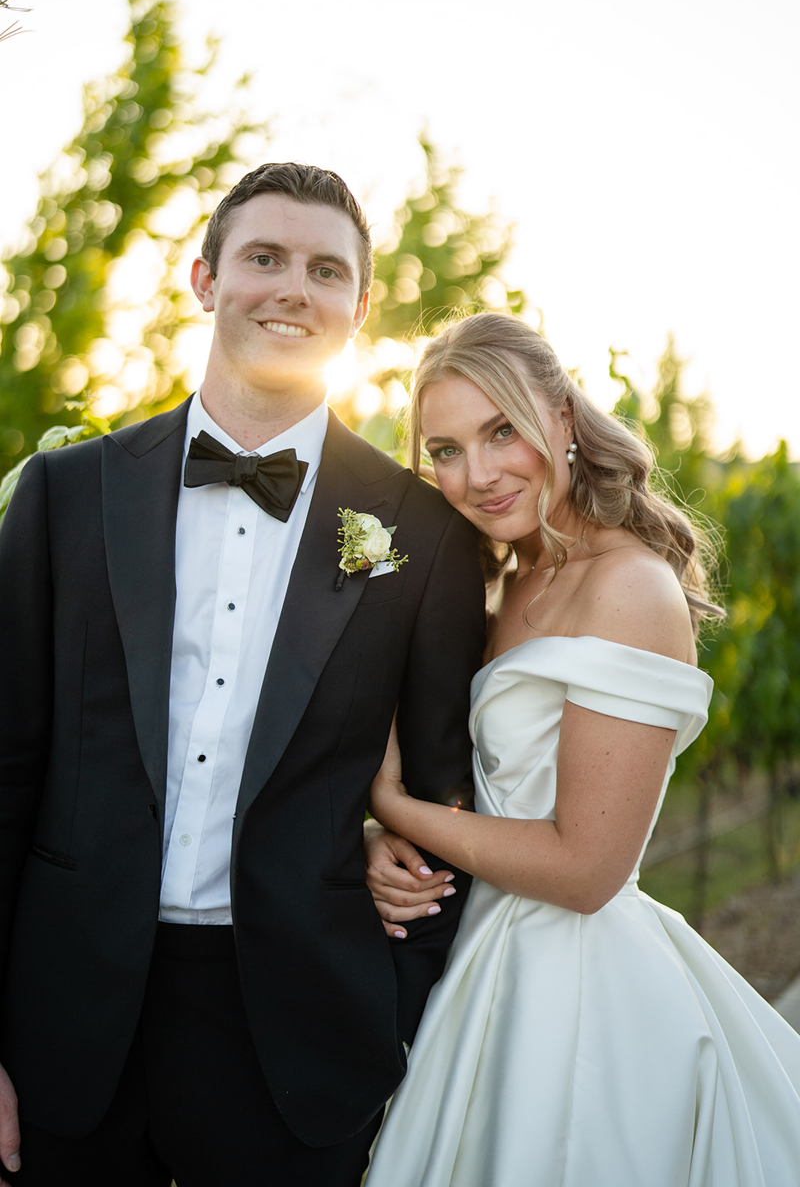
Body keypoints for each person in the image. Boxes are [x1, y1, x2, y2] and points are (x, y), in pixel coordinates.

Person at [0, 163, 486, 1186]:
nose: (290, 289)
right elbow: (5, 772)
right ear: (203, 279)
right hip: (66, 1020)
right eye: (262, 258)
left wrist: (392, 1022)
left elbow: (442, 797)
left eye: (323, 269)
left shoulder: (422, 534)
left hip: (300, 1040)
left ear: (359, 307)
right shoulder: (62, 496)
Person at [364, 312, 800, 1186]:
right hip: (482, 951)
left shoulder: (629, 587)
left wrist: (391, 807)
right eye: (445, 449)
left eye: (501, 431)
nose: (477, 473)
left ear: (562, 417)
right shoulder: (506, 577)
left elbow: (586, 866)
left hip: (574, 985)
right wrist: (383, 848)